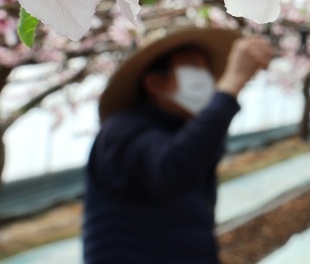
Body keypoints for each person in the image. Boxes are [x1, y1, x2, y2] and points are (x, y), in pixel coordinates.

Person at [82, 26, 274, 263]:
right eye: (193, 65)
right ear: (156, 83)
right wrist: (231, 83)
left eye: (206, 69)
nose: (206, 77)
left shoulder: (177, 130)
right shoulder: (121, 131)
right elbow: (173, 167)